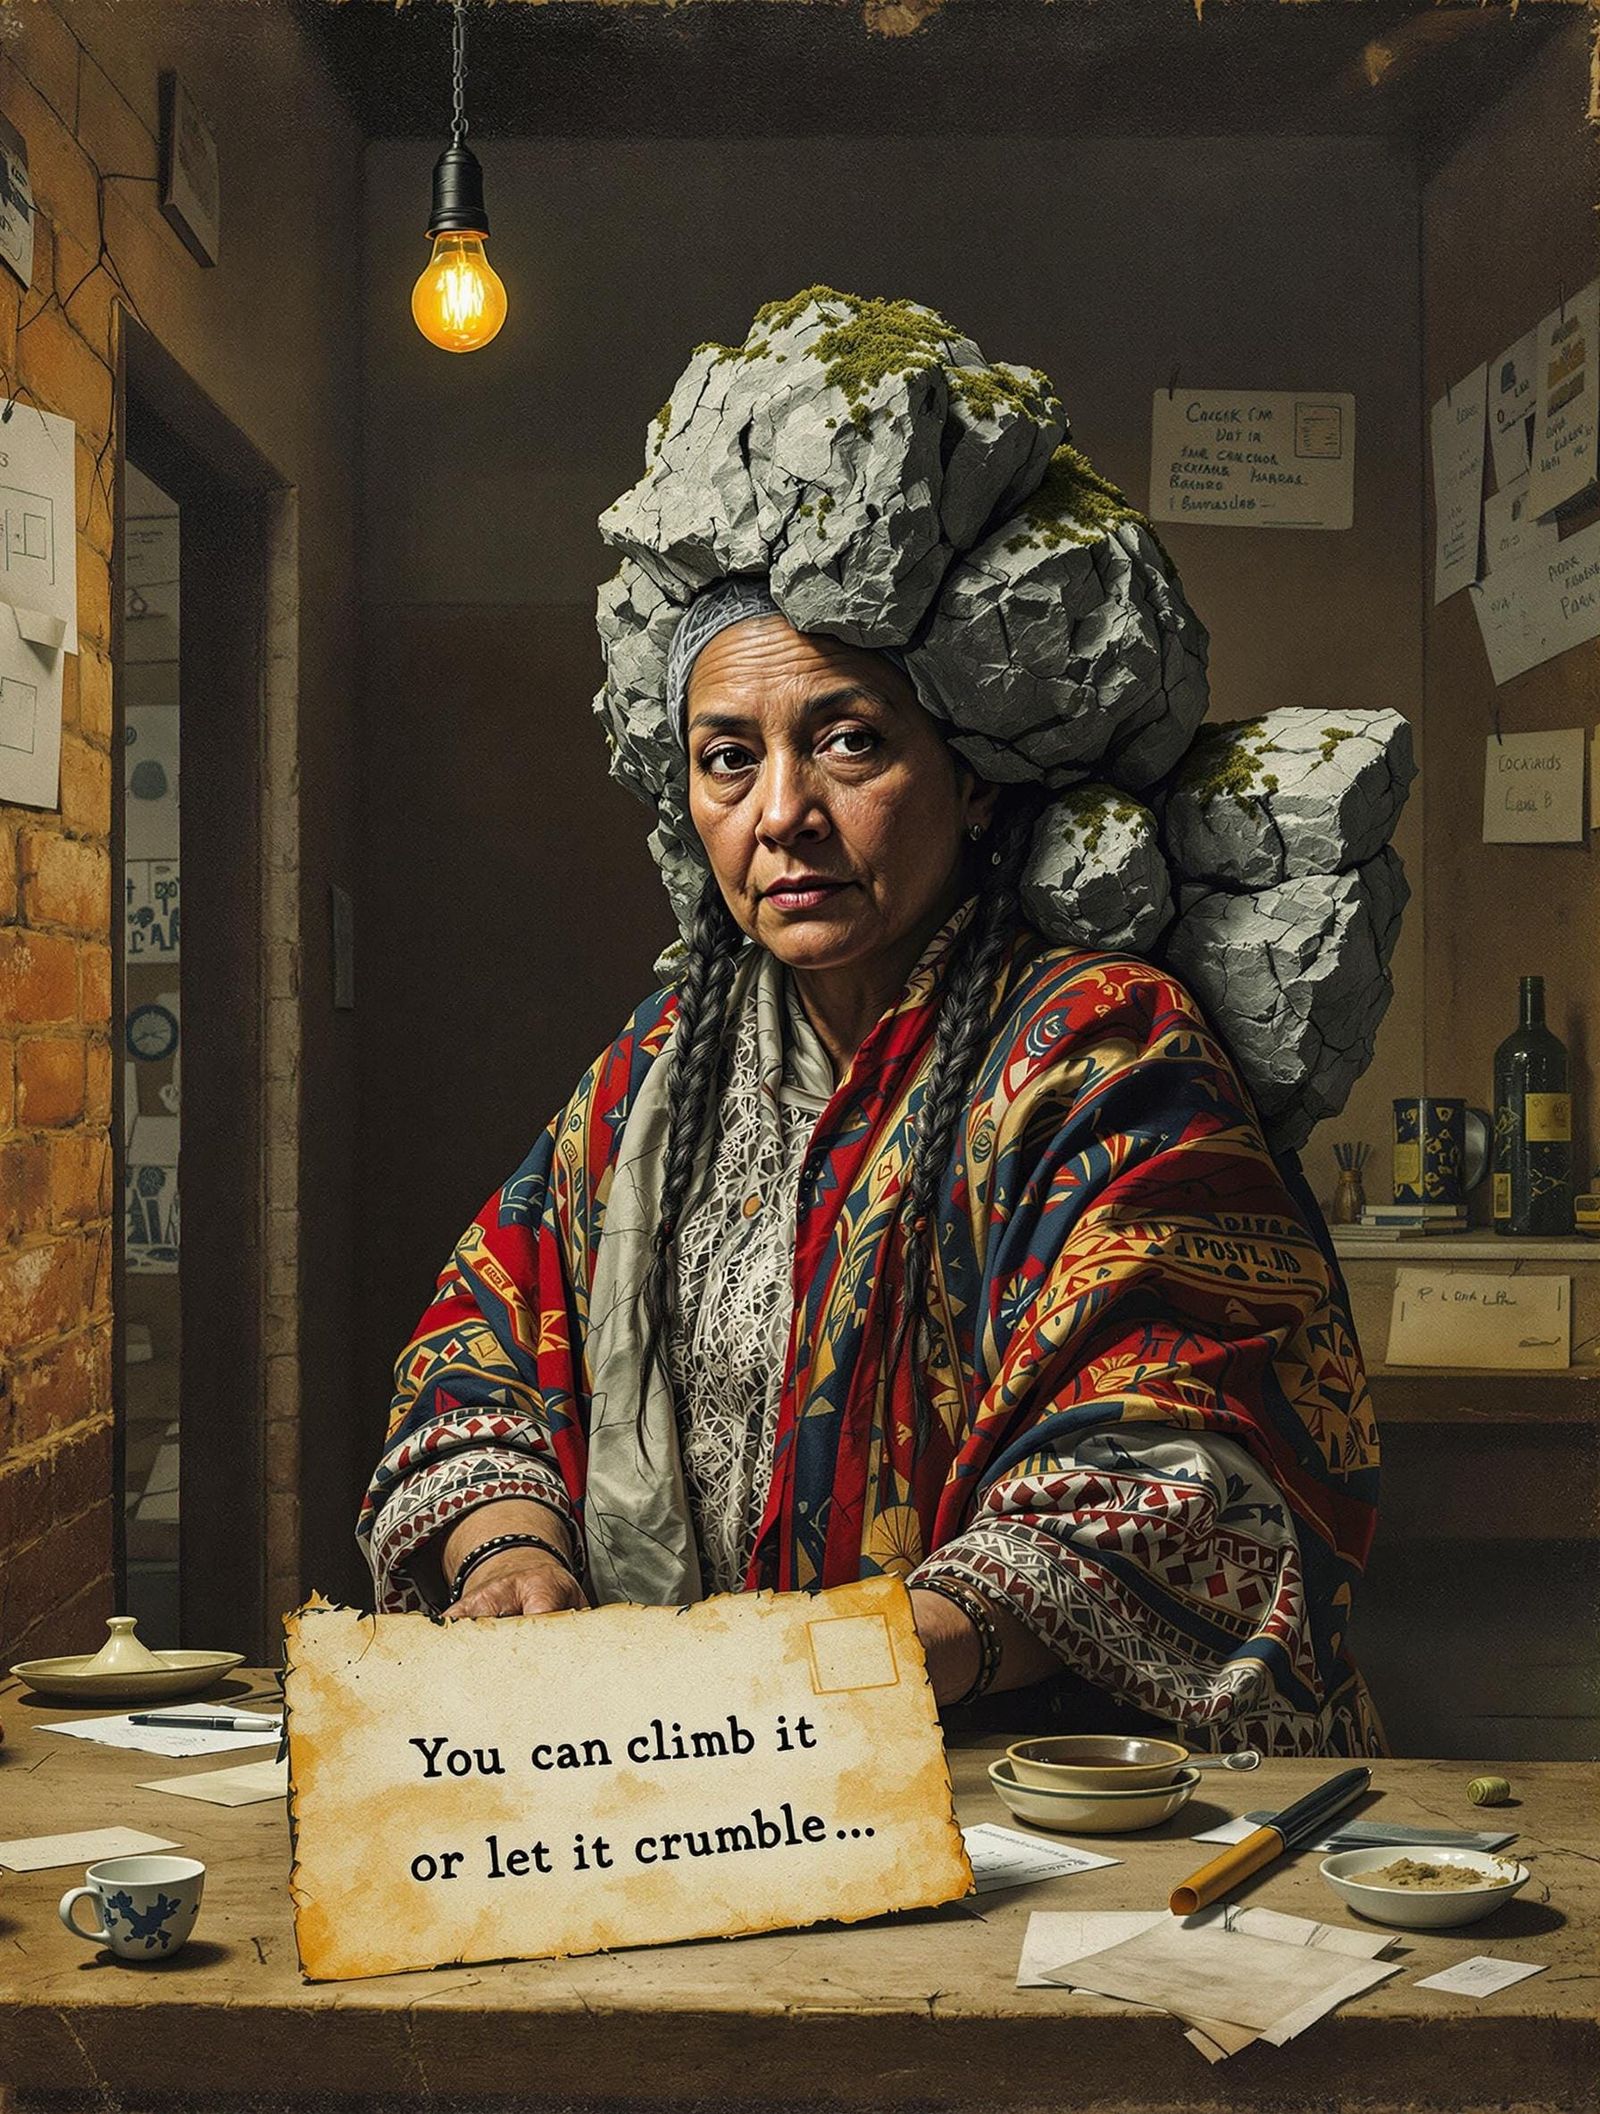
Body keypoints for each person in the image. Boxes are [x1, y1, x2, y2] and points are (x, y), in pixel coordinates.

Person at [358, 576, 1384, 1755]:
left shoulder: (1098, 1049)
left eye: (850, 742)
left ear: (975, 776)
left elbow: (1177, 1443)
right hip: (701, 1774)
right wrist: (509, 1549)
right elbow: (481, 1336)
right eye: (728, 758)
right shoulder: (656, 1069)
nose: (782, 810)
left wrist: (868, 1663)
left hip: (1041, 1782)